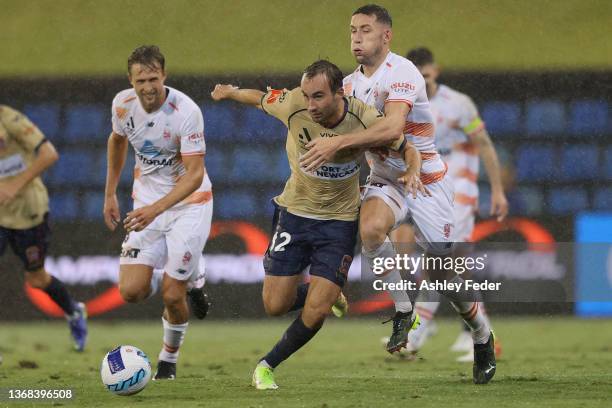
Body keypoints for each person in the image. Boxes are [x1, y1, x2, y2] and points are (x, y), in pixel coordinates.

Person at [300, 4, 496, 384]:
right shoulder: (350, 85)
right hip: (386, 178)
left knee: (443, 274)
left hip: (426, 179)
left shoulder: (402, 71)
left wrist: (340, 142)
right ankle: (404, 309)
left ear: (386, 36)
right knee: (371, 229)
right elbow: (356, 142)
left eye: (366, 30)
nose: (357, 37)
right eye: (353, 30)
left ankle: (481, 335)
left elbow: (392, 129)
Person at [211, 59, 420, 390]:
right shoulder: (293, 104)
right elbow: (259, 98)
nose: (311, 105)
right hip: (294, 214)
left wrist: (412, 170)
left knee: (316, 310)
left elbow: (408, 148)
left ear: (339, 93)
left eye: (318, 97)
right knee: (274, 305)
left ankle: (266, 365)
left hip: (339, 222)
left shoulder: (363, 117)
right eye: (307, 96)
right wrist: (232, 92)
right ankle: (327, 291)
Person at [392, 47, 508, 362]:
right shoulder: (402, 107)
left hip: (460, 192)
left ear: (436, 71)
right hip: (425, 193)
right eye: (417, 76)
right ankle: (473, 332)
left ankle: (422, 328)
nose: (423, 81)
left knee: (447, 259)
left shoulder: (458, 104)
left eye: (427, 74)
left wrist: (497, 190)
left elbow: (484, 144)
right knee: (443, 264)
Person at [103, 45, 212, 380]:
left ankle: (168, 360)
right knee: (131, 291)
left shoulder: (186, 112)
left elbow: (194, 174)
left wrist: (156, 209)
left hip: (189, 206)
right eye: (141, 80)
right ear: (130, 80)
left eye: (153, 78)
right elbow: (117, 140)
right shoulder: (123, 104)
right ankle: (190, 271)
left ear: (164, 76)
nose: (148, 87)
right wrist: (109, 192)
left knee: (171, 294)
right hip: (146, 205)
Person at [0, 105, 87, 351]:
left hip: (28, 213)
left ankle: (73, 311)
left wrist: (13, 185)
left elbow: (49, 154)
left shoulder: (10, 120)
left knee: (37, 279)